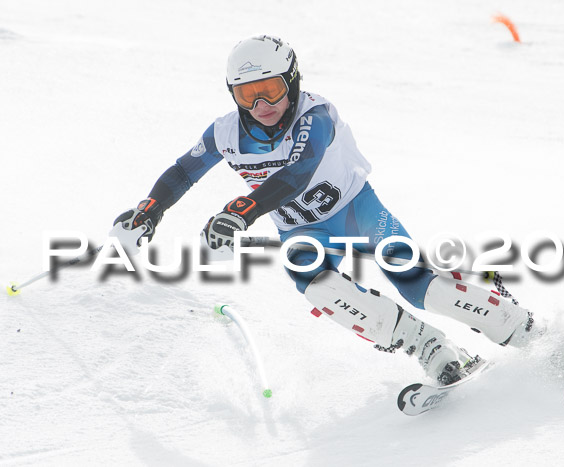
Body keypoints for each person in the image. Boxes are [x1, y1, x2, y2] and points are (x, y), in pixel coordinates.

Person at [114, 35, 539, 385]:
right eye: (247, 94)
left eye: (272, 90)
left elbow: (297, 173)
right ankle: (429, 347)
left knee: (420, 286)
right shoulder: (226, 131)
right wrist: (150, 209)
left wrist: (240, 211)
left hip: (357, 213)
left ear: (293, 82)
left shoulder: (317, 115)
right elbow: (183, 171)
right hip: (301, 233)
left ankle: (525, 330)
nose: (261, 106)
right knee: (320, 290)